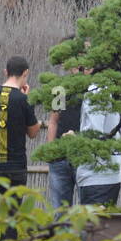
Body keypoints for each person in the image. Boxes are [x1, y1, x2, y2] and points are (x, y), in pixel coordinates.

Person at [45, 42, 83, 206]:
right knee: (59, 210)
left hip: (85, 155)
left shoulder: (94, 87)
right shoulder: (60, 88)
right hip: (60, 156)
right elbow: (54, 120)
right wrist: (51, 150)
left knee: (86, 211)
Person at [75, 83, 121, 206]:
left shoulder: (96, 92)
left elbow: (96, 134)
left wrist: (73, 138)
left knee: (94, 223)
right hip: (111, 171)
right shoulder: (114, 90)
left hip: (96, 175)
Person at [0, 55, 40, 189]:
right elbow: (33, 133)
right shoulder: (23, 99)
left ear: (6, 72)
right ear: (25, 72)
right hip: (15, 167)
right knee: (12, 210)